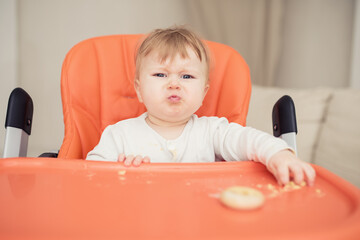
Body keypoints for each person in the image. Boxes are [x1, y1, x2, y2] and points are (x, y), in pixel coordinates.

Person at [86, 26, 316, 186]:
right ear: (138, 89)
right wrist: (116, 170)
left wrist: (279, 153)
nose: (174, 84)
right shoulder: (119, 135)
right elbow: (87, 177)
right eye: (160, 74)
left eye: (186, 77)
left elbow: (249, 140)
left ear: (204, 92)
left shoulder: (213, 131)